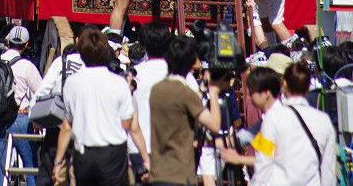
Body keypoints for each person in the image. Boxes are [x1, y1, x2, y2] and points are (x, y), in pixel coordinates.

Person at [51, 27, 142, 186]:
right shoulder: (118, 83)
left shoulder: (72, 83)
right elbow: (127, 124)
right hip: (113, 154)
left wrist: (58, 161)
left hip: (84, 154)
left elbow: (67, 126)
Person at [220, 62, 336, 186]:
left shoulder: (273, 117)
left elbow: (263, 163)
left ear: (284, 84)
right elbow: (328, 172)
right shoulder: (324, 120)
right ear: (308, 87)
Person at [148, 36, 229, 186]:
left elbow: (183, 106)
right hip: (179, 175)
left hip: (158, 172)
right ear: (192, 63)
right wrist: (213, 92)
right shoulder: (186, 94)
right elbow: (215, 125)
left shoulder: (156, 89)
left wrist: (201, 90)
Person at [0, 25, 42, 186]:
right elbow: (41, 92)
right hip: (21, 118)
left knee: (2, 166)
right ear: (26, 45)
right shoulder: (27, 66)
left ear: (7, 41)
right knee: (30, 166)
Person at [29, 40, 85, 186]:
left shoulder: (60, 62)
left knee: (47, 171)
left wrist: (35, 117)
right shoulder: (93, 66)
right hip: (83, 130)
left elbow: (42, 91)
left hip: (56, 123)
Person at [133, 21, 172, 155]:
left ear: (144, 46)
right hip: (171, 149)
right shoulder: (181, 74)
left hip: (137, 148)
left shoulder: (133, 74)